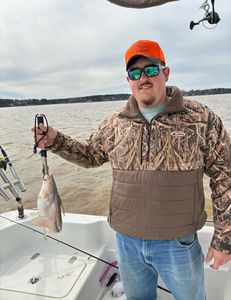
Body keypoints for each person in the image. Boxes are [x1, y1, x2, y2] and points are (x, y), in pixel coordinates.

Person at [33, 39, 231, 300]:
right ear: (128, 80)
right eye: (135, 73)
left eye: (150, 70)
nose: (143, 78)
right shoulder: (115, 123)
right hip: (126, 243)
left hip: (178, 245)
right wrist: (56, 140)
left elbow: (224, 174)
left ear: (166, 72)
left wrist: (224, 239)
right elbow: (90, 156)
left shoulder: (200, 118)